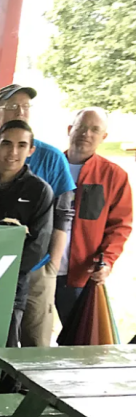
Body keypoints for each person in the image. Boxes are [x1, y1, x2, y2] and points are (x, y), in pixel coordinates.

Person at [0, 84, 75, 349]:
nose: (13, 152)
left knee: (32, 340)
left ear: (30, 150)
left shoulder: (51, 165)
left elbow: (61, 216)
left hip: (30, 272)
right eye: (13, 106)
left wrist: (51, 266)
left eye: (25, 106)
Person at [0, 120, 56, 377]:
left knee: (4, 352)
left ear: (31, 150)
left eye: (21, 145)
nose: (12, 152)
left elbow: (37, 247)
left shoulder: (40, 191)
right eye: (6, 143)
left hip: (10, 289)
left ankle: (5, 409)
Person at [55, 107, 133, 328]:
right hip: (40, 272)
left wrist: (106, 260)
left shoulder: (114, 176)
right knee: (30, 337)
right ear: (70, 130)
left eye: (94, 130)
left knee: (81, 342)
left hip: (81, 274)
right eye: (81, 127)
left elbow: (120, 226)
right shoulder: (51, 167)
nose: (86, 134)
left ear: (104, 137)